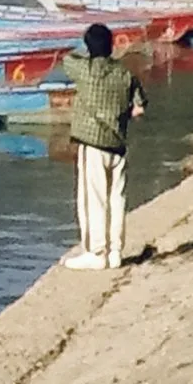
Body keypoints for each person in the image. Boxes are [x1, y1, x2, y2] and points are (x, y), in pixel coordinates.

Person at [62, 22, 146, 269]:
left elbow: (66, 59)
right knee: (116, 199)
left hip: (93, 143)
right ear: (111, 46)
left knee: (93, 199)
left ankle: (96, 251)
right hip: (118, 143)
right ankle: (115, 251)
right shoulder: (125, 74)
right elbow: (140, 107)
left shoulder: (83, 68)